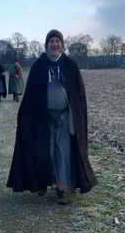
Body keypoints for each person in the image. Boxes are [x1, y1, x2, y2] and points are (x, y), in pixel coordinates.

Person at [7, 29, 96, 204]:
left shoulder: (70, 65)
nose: (54, 44)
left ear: (62, 45)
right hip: (43, 119)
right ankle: (41, 182)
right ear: (46, 45)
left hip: (64, 118)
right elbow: (31, 95)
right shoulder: (39, 66)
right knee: (44, 151)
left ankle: (63, 188)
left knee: (62, 152)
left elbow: (77, 95)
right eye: (51, 41)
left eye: (57, 41)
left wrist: (75, 117)